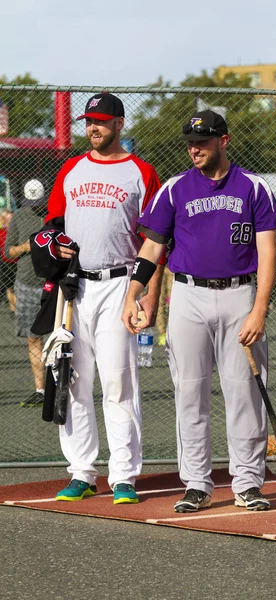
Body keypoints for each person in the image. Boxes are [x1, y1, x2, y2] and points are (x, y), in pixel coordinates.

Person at [122, 109, 276, 513]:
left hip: (239, 296)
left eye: (204, 140)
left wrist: (259, 310)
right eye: (191, 142)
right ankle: (197, 482)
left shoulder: (253, 187)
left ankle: (247, 482)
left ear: (224, 141)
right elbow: (152, 247)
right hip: (188, 297)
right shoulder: (176, 188)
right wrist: (135, 292)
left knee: (244, 392)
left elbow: (268, 254)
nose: (195, 148)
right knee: (189, 393)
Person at [33, 93, 163, 504]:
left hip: (121, 284)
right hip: (75, 289)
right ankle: (82, 471)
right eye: (89, 120)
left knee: (118, 380)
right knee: (71, 380)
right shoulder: (70, 169)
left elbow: (156, 241)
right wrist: (54, 247)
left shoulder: (141, 173)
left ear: (120, 124)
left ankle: (123, 475)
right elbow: (52, 225)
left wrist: (149, 299)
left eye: (102, 121)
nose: (94, 128)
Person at [5, 180, 46, 407]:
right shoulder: (20, 216)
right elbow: (8, 251)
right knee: (33, 338)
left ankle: (63, 387)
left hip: (54, 284)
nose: (36, 207)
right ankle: (40, 390)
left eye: (39, 203)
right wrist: (25, 247)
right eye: (32, 203)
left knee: (63, 338)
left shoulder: (56, 215)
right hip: (27, 283)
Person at [0, 209, 17, 313]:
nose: (10, 219)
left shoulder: (15, 229)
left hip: (17, 261)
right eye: (7, 217)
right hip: (5, 262)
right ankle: (13, 309)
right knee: (9, 287)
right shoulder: (2, 230)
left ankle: (17, 308)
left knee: (16, 287)